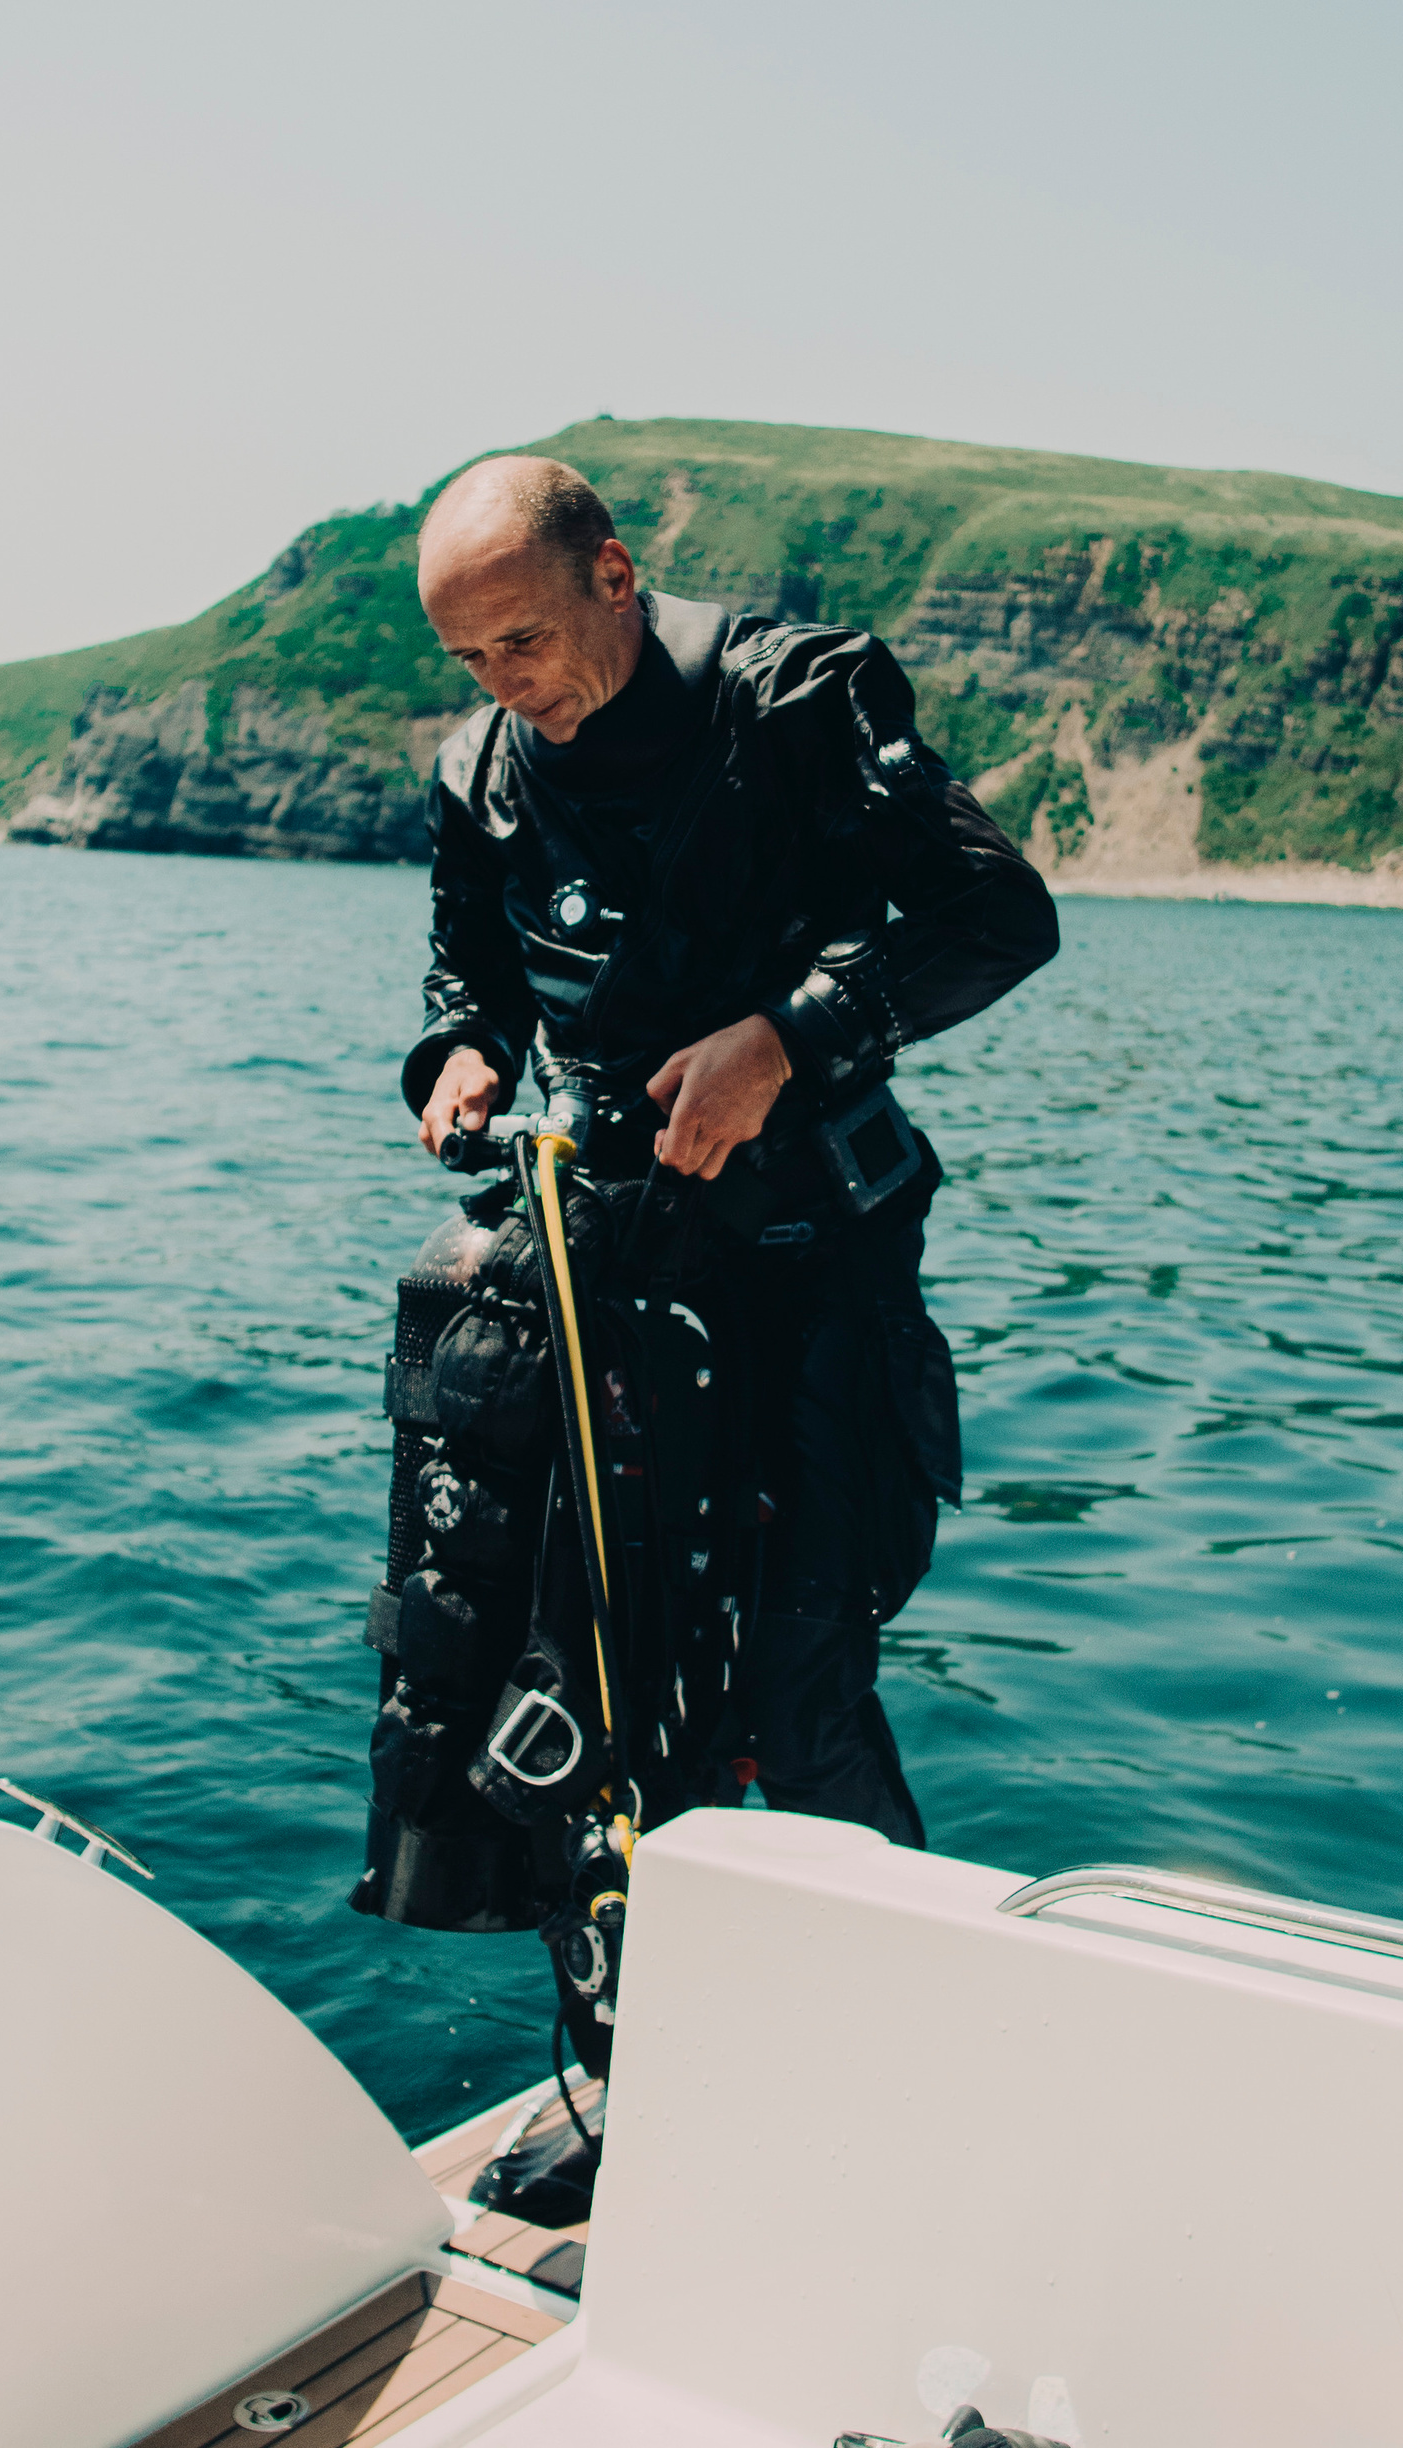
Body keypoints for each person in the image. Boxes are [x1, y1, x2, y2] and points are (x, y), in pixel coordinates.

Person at [365, 452, 1057, 1942]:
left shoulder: (798, 702)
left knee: (802, 1699)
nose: (502, 683)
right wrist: (463, 1053)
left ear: (615, 576)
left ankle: (897, 2006)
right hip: (604, 1279)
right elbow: (469, 972)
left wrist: (785, 1041)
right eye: (469, 658)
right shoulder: (481, 772)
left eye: (522, 640)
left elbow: (1000, 916)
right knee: (591, 1703)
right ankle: (633, 2039)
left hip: (814, 1262)